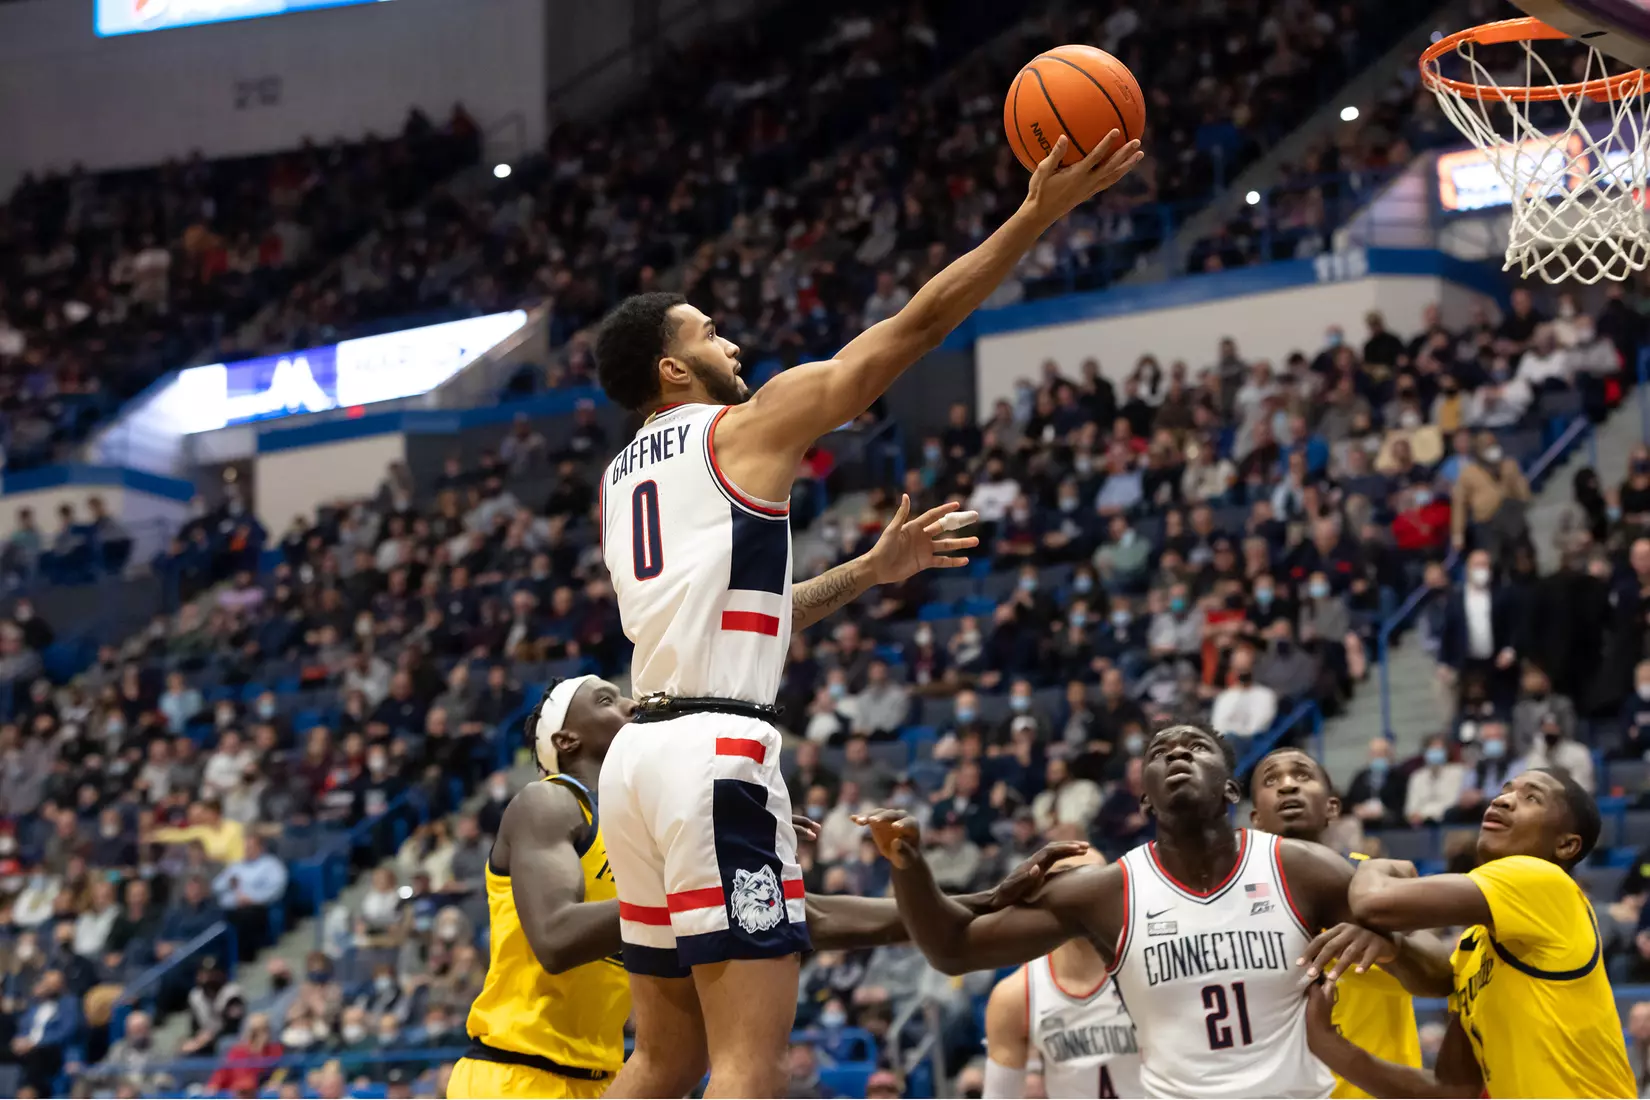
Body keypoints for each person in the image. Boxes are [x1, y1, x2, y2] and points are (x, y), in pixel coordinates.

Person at [593, 130, 1141, 1097]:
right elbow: (914, 328)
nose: (732, 344)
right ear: (674, 371)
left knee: (663, 1060)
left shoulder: (619, 480)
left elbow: (745, 610)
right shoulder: (740, 427)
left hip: (637, 759)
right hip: (714, 753)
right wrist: (1034, 217)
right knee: (748, 1063)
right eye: (710, 334)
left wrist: (872, 569)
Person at [448, 678, 1074, 1099]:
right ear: (566, 740)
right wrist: (720, 869)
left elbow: (804, 915)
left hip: (614, 1080)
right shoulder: (548, 804)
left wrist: (976, 900)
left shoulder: (646, 827)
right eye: (608, 699)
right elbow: (556, 937)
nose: (631, 703)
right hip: (513, 1076)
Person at [859, 724, 1439, 1098]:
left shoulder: (1304, 868)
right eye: (1161, 752)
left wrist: (1393, 945)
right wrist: (908, 863)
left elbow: (1440, 971)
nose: (1178, 753)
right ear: (1144, 797)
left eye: (1196, 747)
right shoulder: (1108, 892)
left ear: (1232, 792)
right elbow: (951, 949)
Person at [1303, 770, 1635, 1098]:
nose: (1503, 800)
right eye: (1505, 790)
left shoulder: (1544, 881)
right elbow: (1451, 1091)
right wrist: (1329, 1044)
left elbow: (1372, 903)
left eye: (1530, 797)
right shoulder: (1472, 947)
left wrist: (1374, 865)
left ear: (1565, 845)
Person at [1248, 748, 1431, 1098]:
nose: (1287, 786)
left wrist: (1385, 942)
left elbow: (1432, 974)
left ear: (1332, 807)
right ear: (1255, 817)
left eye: (1302, 776)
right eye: (1272, 780)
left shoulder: (1375, 880)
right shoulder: (1240, 901)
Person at [982, 849, 1142, 1099]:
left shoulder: (1148, 970)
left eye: (1093, 885)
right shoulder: (1015, 995)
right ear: (1047, 899)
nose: (1083, 899)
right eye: (1072, 887)